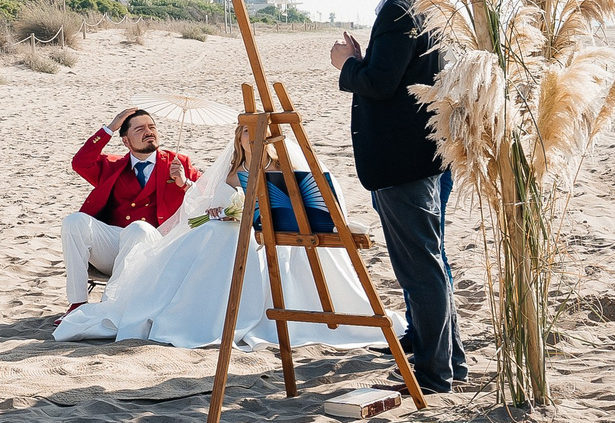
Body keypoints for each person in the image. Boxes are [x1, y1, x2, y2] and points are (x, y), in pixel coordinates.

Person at [56, 123, 381, 350]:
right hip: (158, 233)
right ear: (238, 138)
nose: (253, 136)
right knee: (208, 233)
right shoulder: (229, 171)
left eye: (259, 131)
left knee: (218, 236)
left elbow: (303, 204)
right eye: (246, 131)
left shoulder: (283, 169)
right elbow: (203, 203)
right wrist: (219, 210)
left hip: (268, 234)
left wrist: (190, 187)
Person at [332, 0, 463, 394]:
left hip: (404, 161)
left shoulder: (399, 8)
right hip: (424, 156)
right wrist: (365, 61)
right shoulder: (420, 2)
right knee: (430, 261)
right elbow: (401, 74)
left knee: (420, 267)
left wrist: (347, 64)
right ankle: (449, 360)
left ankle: (433, 372)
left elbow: (382, 83)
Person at [59, 107, 202, 316]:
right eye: (140, 129)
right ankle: (77, 305)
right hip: (114, 246)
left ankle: (109, 307)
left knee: (139, 229)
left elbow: (207, 197)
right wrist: (110, 127)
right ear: (126, 141)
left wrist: (185, 182)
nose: (149, 132)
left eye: (152, 127)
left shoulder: (178, 163)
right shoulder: (113, 166)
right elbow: (80, 163)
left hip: (156, 248)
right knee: (74, 222)